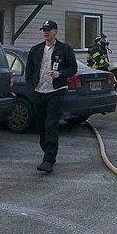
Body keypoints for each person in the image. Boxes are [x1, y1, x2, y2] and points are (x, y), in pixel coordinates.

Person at [26, 20, 78, 172]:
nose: (45, 32)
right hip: (39, 91)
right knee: (41, 125)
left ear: (55, 31)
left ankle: (49, 159)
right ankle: (46, 151)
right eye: (43, 30)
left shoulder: (64, 49)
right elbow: (29, 71)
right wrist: (31, 87)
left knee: (51, 125)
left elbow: (73, 69)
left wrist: (59, 74)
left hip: (56, 91)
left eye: (48, 30)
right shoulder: (36, 50)